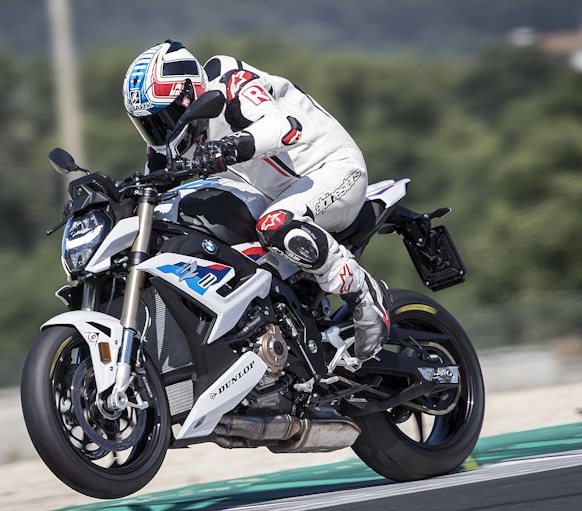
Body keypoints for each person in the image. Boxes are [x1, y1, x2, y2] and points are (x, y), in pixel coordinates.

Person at [123, 40, 389, 362]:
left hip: (332, 169)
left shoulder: (231, 83)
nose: (161, 131)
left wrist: (230, 147)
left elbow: (285, 127)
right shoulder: (172, 139)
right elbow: (154, 178)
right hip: (277, 194)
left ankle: (362, 291)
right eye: (149, 125)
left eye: (165, 117)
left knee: (276, 226)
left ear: (189, 96)